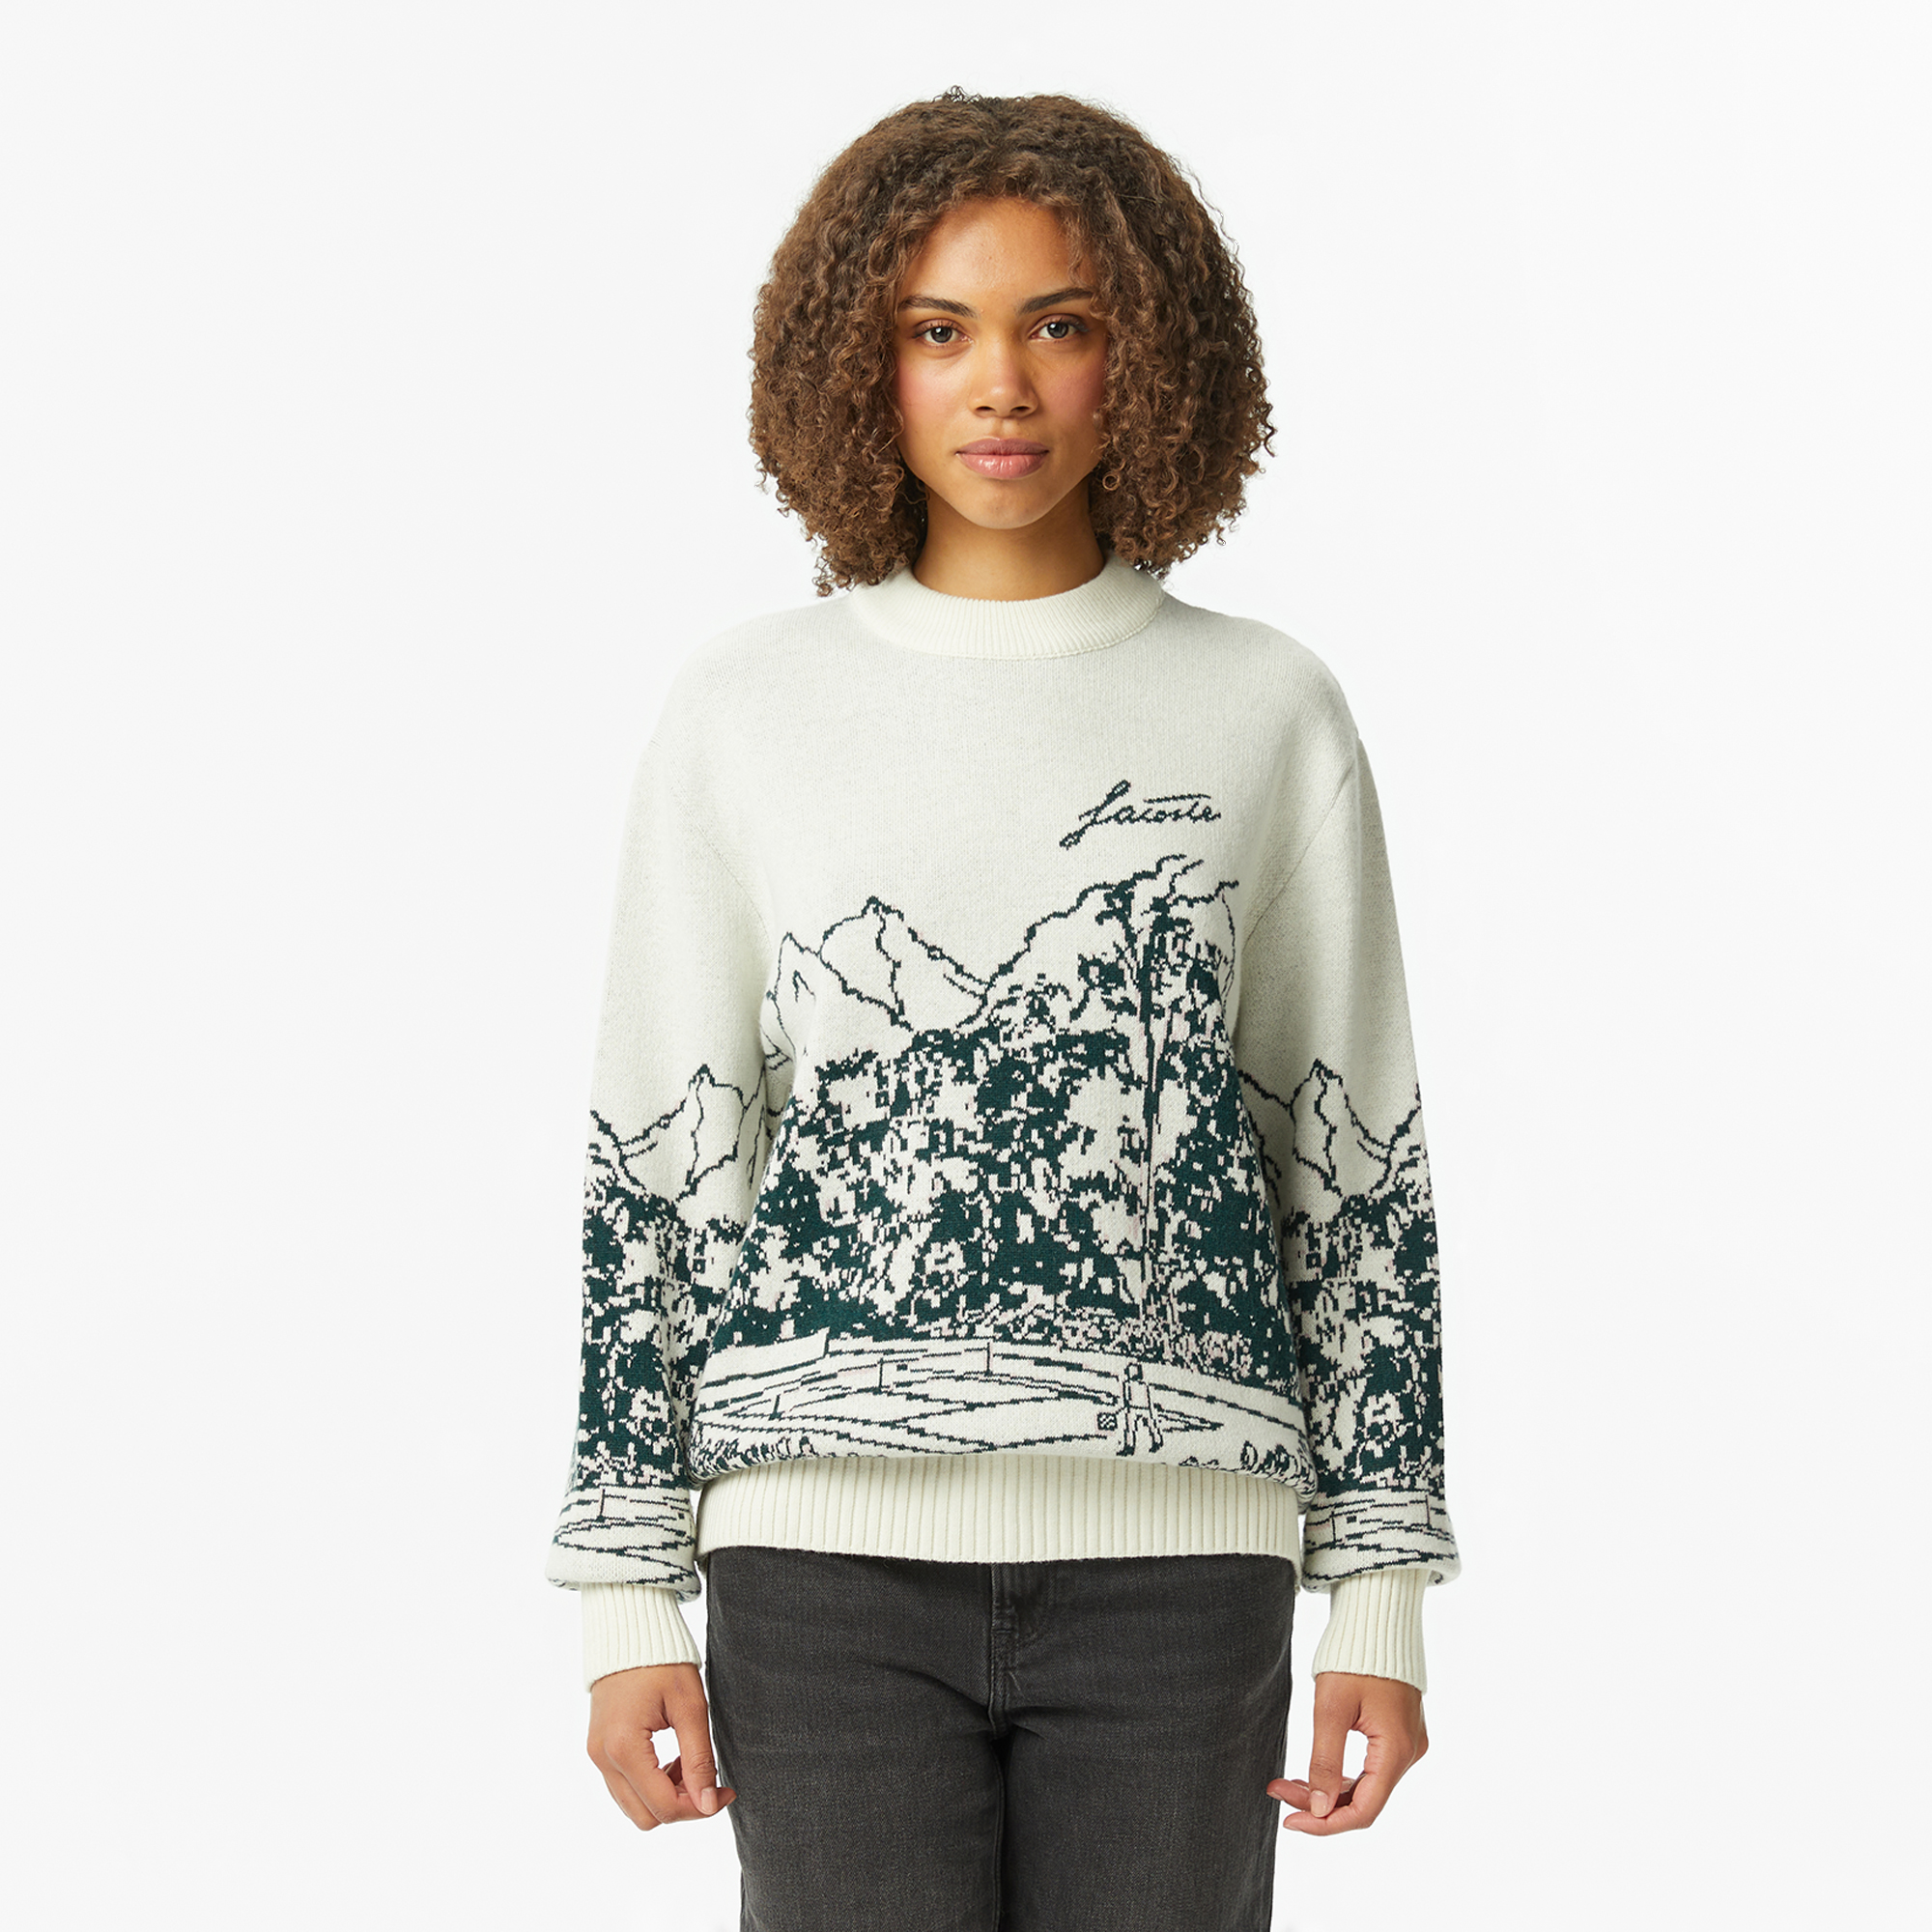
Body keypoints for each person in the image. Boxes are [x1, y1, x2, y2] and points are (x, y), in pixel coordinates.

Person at [544, 87, 1463, 1930]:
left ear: (1152, 358)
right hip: (816, 1575)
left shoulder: (1267, 709)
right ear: (859, 368)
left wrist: (1380, 1593)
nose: (1002, 386)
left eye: (1062, 322)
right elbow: (662, 1155)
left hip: (1183, 1578)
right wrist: (626, 1593)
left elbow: (1353, 1168)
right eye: (937, 330)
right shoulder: (746, 709)